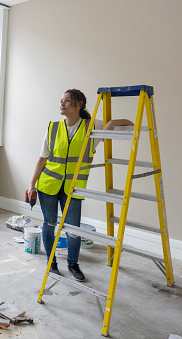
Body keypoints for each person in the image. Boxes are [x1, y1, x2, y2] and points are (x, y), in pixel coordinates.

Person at [27, 89, 133, 281]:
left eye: (67, 101)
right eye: (61, 100)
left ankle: (73, 264)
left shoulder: (92, 127)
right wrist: (32, 184)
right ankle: (51, 263)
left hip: (74, 188)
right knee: (49, 224)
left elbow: (131, 124)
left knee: (73, 229)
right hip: (48, 186)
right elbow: (42, 159)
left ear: (79, 104)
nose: (62, 104)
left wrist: (112, 123)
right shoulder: (52, 127)